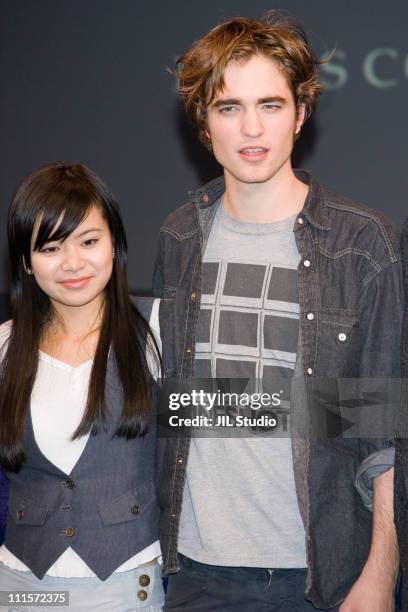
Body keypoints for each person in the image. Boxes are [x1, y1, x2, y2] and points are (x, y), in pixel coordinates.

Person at [153, 13, 404, 611]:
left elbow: (380, 435)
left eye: (269, 104)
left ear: (301, 112)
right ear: (203, 124)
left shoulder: (360, 246)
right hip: (192, 573)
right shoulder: (179, 238)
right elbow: (176, 406)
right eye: (227, 107)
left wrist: (379, 574)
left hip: (317, 579)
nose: (250, 127)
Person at [0, 162, 164, 611]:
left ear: (115, 245)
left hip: (128, 583)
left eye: (89, 241)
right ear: (27, 263)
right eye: (50, 248)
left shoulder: (157, 330)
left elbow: (243, 422)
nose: (73, 263)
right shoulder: (5, 346)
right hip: (19, 584)